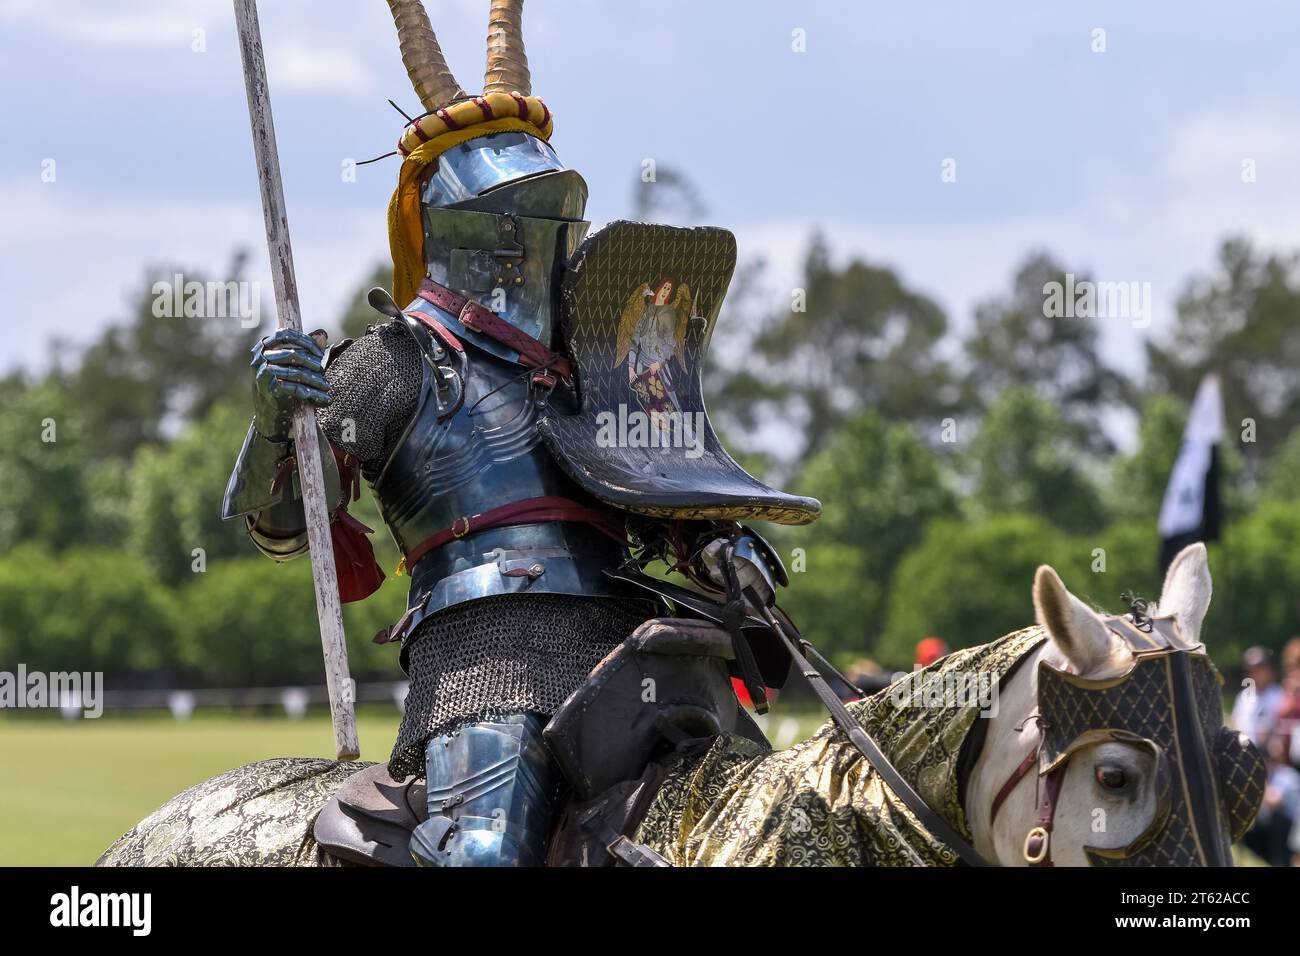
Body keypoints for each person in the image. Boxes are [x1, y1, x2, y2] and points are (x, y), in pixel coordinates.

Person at [222, 0, 818, 867]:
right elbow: (282, 529)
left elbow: (665, 497)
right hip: (485, 664)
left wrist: (722, 547)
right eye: (525, 220)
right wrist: (277, 422)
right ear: (466, 228)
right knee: (488, 852)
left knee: (781, 830)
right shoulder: (395, 363)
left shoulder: (602, 366)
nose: (545, 242)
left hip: (639, 654)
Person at [1230, 646, 1284, 746]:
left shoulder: (1281, 695)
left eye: (1259, 668)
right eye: (1250, 669)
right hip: (1247, 753)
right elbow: (1236, 725)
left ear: (1270, 669)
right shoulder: (1243, 697)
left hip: (1273, 754)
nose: (1255, 673)